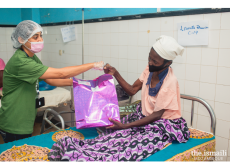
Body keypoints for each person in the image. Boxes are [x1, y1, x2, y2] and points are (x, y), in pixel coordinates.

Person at [48, 35, 190, 162]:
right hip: (144, 115)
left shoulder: (169, 83)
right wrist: (115, 73)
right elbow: (132, 90)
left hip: (162, 124)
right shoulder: (150, 69)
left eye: (155, 61)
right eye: (150, 57)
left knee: (128, 146)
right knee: (110, 132)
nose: (151, 62)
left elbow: (156, 115)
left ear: (168, 63)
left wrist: (125, 126)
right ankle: (76, 150)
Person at [0, 20, 104, 143]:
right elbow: (61, 73)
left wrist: (84, 83)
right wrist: (93, 65)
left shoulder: (31, 57)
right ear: (21, 40)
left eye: (41, 36)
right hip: (14, 120)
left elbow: (51, 80)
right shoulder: (21, 61)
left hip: (24, 119)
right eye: (35, 37)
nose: (40, 40)